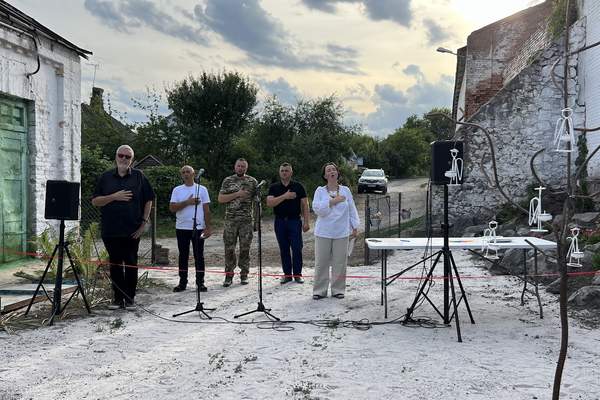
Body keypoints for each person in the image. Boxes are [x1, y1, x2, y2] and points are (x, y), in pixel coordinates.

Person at [92, 145, 155, 310]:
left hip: (132, 230)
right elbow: (95, 201)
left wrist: (143, 222)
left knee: (131, 263)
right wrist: (114, 197)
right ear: (116, 157)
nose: (124, 159)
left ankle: (130, 298)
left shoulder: (139, 177)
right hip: (110, 230)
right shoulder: (105, 178)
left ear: (132, 160)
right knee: (115, 264)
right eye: (121, 155)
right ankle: (118, 299)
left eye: (128, 157)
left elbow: (149, 199)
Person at [311, 162, 360, 300]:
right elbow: (318, 210)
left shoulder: (346, 190)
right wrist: (333, 201)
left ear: (337, 173)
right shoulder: (320, 191)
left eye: (333, 169)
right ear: (325, 175)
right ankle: (320, 290)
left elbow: (352, 209)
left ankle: (338, 289)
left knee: (340, 262)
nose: (331, 172)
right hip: (323, 232)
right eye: (328, 170)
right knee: (322, 262)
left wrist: (354, 226)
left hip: (341, 232)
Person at [169, 165, 212, 293]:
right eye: (183, 172)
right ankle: (182, 283)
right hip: (182, 227)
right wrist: (187, 202)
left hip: (198, 227)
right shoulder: (177, 190)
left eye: (188, 171)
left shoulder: (202, 189)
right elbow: (172, 208)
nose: (186, 174)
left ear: (194, 174)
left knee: (199, 255)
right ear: (181, 175)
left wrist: (208, 227)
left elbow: (206, 210)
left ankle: (200, 283)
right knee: (183, 255)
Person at [266, 162, 310, 284]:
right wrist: (285, 196)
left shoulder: (298, 186)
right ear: (279, 172)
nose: (284, 172)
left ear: (291, 172)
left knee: (297, 248)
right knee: (284, 248)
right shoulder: (274, 187)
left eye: (286, 170)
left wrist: (306, 222)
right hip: (280, 221)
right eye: (282, 171)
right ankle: (287, 274)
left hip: (294, 221)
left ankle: (297, 274)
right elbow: (269, 203)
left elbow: (305, 204)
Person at [218, 158, 258, 287]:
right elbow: (221, 199)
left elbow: (257, 202)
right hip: (230, 220)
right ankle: (229, 275)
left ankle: (244, 274)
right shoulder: (228, 180)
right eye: (239, 166)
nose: (241, 168)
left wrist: (256, 221)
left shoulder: (252, 181)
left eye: (243, 166)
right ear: (235, 167)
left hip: (246, 221)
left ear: (247, 168)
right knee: (229, 248)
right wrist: (237, 194)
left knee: (245, 248)